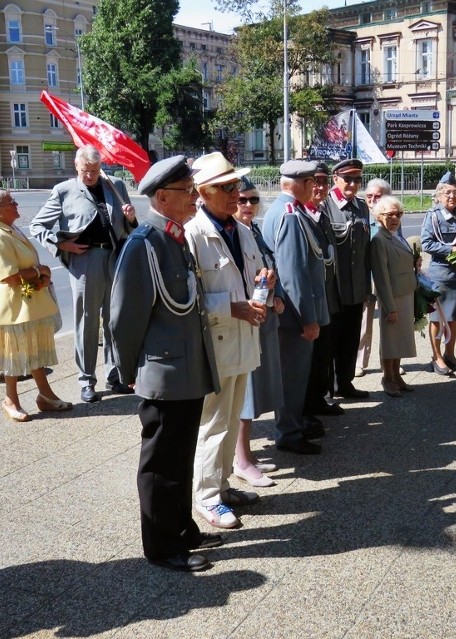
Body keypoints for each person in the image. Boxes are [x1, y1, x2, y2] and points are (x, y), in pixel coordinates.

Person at [111, 155, 222, 572]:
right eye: (187, 192)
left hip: (187, 369)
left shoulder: (174, 239)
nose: (195, 198)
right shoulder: (144, 244)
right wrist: (128, 372)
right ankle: (162, 546)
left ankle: (182, 528)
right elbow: (124, 318)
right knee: (161, 465)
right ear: (162, 196)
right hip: (162, 374)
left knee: (181, 456)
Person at [186, 152, 269, 530]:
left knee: (232, 420)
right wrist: (231, 308)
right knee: (214, 425)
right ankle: (206, 498)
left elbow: (251, 278)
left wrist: (265, 288)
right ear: (202, 192)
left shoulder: (242, 228)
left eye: (236, 184)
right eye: (225, 187)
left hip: (243, 339)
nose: (236, 193)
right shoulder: (193, 233)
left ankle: (221, 487)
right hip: (216, 344)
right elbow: (187, 299)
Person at [30, 145, 137, 403]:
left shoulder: (115, 186)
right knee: (86, 322)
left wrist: (131, 218)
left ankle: (116, 376)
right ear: (77, 167)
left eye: (95, 170)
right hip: (85, 261)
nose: (91, 176)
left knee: (115, 321)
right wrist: (60, 244)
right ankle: (87, 380)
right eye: (86, 171)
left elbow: (130, 228)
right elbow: (37, 225)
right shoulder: (64, 191)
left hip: (115, 258)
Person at [0, 189, 72, 422]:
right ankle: (11, 400)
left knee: (34, 352)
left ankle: (45, 396)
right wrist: (40, 272)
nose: (16, 204)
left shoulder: (10, 229)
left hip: (28, 304)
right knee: (14, 356)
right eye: (11, 202)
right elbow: (7, 276)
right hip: (13, 308)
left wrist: (41, 277)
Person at [262, 160, 329, 456]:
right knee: (292, 375)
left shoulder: (289, 211)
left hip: (290, 313)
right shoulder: (290, 215)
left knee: (294, 374)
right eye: (311, 182)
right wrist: (307, 319)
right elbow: (293, 273)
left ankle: (294, 424)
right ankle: (289, 433)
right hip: (293, 316)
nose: (315, 187)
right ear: (299, 184)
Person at [232, 176, 284, 488]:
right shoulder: (234, 233)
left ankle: (246, 455)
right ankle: (240, 460)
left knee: (254, 390)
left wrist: (274, 293)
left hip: (262, 315)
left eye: (253, 199)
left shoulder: (254, 229)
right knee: (245, 394)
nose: (249, 205)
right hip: (244, 318)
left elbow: (264, 270)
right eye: (242, 200)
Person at [320, 159, 371, 399]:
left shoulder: (361, 206)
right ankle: (329, 389)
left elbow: (365, 252)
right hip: (334, 289)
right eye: (347, 179)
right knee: (331, 340)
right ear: (336, 179)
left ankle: (346, 383)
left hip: (356, 287)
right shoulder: (325, 206)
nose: (352, 184)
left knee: (351, 338)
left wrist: (367, 287)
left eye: (357, 179)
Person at [421, 172, 456, 376]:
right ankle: (437, 358)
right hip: (440, 275)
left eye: (455, 192)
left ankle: (450, 355)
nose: (452, 196)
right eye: (447, 193)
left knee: (454, 318)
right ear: (439, 196)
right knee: (437, 319)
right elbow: (427, 244)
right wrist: (453, 250)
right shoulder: (433, 215)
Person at [302, 162, 344, 419]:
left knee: (324, 354)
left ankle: (320, 398)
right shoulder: (300, 215)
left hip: (327, 295)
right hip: (312, 298)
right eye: (315, 182)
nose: (320, 187)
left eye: (324, 182)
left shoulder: (322, 213)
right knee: (311, 357)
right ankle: (309, 406)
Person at [370, 196, 417, 397]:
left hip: (405, 294)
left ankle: (397, 375)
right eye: (390, 215)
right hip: (393, 297)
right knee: (390, 340)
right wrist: (389, 307)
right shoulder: (379, 239)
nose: (396, 218)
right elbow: (381, 276)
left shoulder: (397, 235)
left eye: (398, 214)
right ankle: (387, 378)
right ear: (379, 217)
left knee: (400, 339)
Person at [356, 178, 392, 378]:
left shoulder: (392, 214)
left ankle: (387, 362)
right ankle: (360, 362)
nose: (372, 200)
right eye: (369, 196)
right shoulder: (361, 214)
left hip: (387, 274)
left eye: (377, 196)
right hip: (366, 275)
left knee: (389, 318)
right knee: (364, 319)